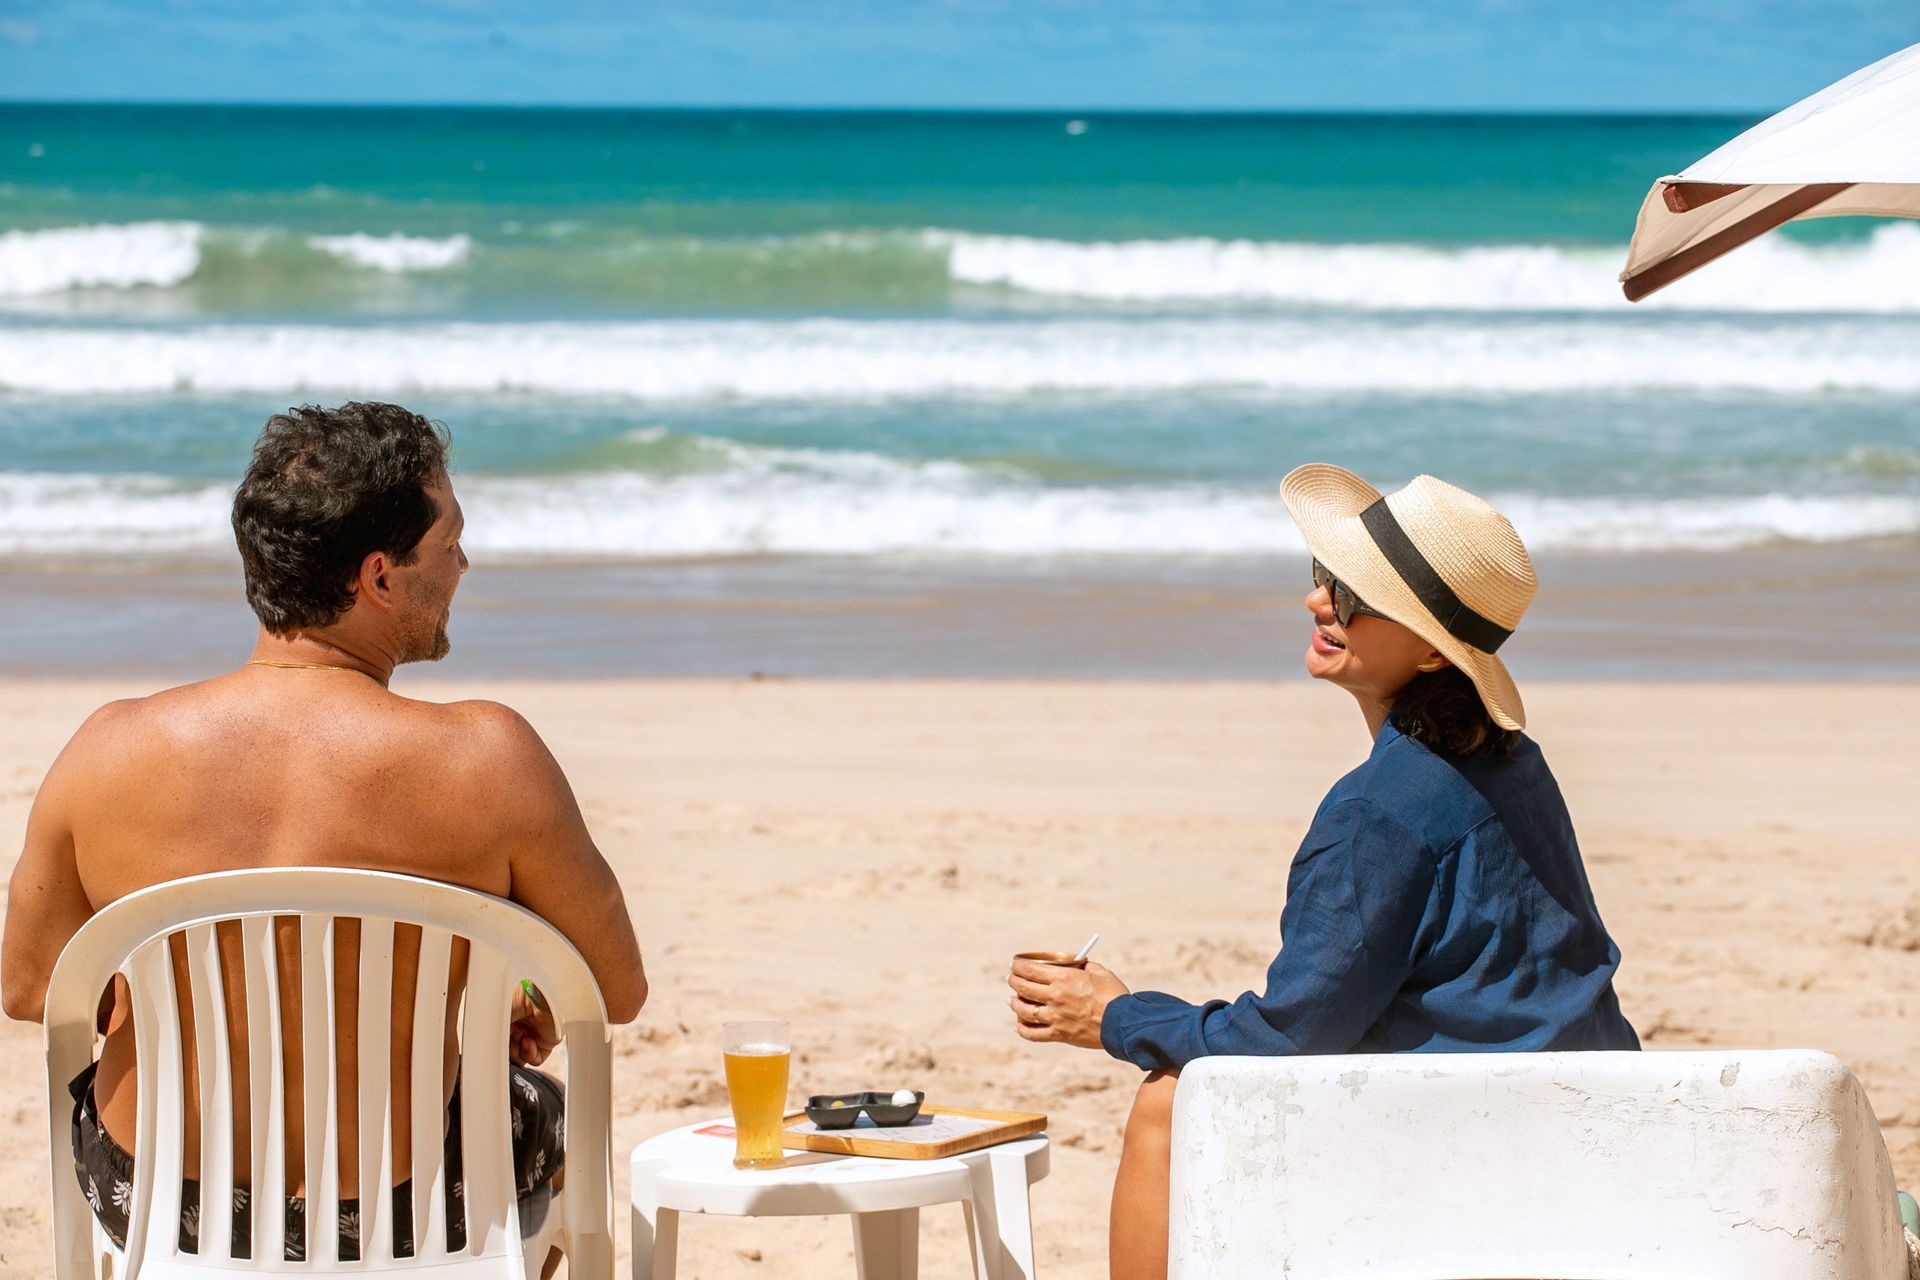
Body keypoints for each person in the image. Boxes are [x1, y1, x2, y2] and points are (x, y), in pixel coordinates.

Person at [2, 402, 647, 1266]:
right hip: (403, 1205)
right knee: (540, 1114)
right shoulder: (490, 760)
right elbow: (616, 989)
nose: (465, 562)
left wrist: (172, 997)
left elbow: (29, 984)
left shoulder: (107, 750)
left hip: (165, 1198)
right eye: (449, 541)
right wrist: (516, 996)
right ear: (379, 577)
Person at [1006, 464, 1638, 1280]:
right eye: (1325, 577)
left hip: (1471, 1137)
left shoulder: (1378, 811)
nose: (1319, 603)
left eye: (1351, 597)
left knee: (1170, 1101)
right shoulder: (1513, 761)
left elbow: (1289, 1040)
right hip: (1588, 1110)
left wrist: (1117, 1017)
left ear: (1435, 658)